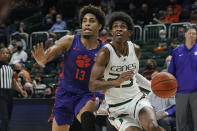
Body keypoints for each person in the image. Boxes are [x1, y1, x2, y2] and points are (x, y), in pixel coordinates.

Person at [32, 4, 105, 131]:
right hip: (64, 94)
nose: (87, 23)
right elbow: (52, 51)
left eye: (92, 21)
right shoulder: (69, 40)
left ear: (99, 26)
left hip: (86, 94)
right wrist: (43, 59)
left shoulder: (105, 50)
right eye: (84, 21)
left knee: (88, 117)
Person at [89, 11, 164, 131]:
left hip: (136, 99)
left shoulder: (136, 50)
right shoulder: (105, 53)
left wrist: (153, 88)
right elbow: (92, 85)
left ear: (129, 32)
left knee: (153, 127)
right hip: (116, 107)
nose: (118, 29)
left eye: (122, 27)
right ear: (111, 32)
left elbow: (134, 75)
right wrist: (116, 82)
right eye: (115, 27)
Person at [168, 25, 197, 131]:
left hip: (196, 92)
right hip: (180, 92)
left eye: (194, 34)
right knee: (181, 123)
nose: (191, 35)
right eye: (189, 33)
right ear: (185, 34)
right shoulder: (176, 51)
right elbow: (171, 73)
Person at [0, 48, 27, 131]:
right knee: (4, 118)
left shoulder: (10, 67)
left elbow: (13, 82)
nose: (5, 54)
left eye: (7, 53)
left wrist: (21, 91)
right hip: (0, 93)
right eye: (3, 53)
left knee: (8, 117)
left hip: (9, 93)